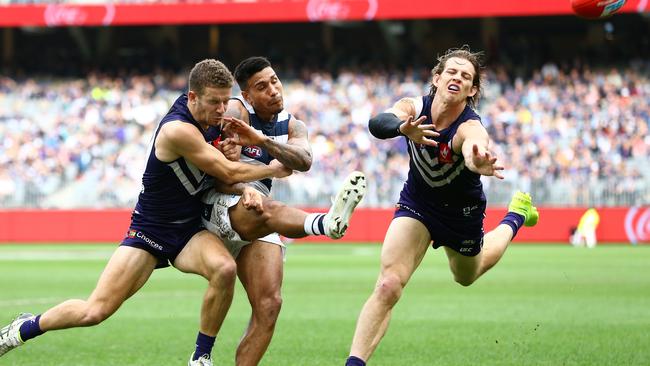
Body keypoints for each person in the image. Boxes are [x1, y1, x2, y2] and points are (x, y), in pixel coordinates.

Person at [0, 59, 293, 366]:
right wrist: (273, 167)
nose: (222, 110)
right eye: (214, 103)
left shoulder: (211, 115)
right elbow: (224, 170)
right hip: (150, 231)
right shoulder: (177, 130)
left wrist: (238, 165)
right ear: (192, 98)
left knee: (224, 269)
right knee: (95, 311)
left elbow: (222, 170)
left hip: (188, 230)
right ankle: (23, 328)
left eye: (224, 101)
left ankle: (201, 357)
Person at [344, 47, 540, 366]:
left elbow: (476, 143)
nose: (457, 78)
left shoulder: (469, 125)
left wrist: (476, 158)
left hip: (461, 213)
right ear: (437, 78)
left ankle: (516, 215)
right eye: (451, 71)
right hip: (418, 204)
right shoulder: (413, 107)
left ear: (472, 90)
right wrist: (401, 128)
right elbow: (378, 123)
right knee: (389, 284)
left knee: (466, 276)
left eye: (466, 76)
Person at [201, 56, 366, 366]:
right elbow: (219, 173)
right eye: (262, 87)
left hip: (258, 211)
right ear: (247, 96)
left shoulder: (292, 124)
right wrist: (246, 183)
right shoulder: (237, 111)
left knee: (269, 305)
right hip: (222, 202)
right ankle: (325, 223)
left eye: (274, 81)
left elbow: (303, 160)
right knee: (268, 207)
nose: (273, 90)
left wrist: (262, 142)